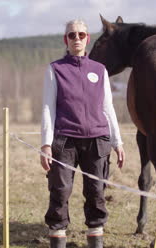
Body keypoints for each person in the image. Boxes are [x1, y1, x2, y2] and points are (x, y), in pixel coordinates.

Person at [40, 19, 126, 248]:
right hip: (64, 140)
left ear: (87, 38)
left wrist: (118, 142)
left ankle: (95, 236)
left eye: (81, 35)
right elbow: (48, 107)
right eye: (71, 35)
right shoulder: (55, 69)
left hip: (97, 141)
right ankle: (58, 234)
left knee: (96, 191)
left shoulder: (99, 70)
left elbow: (108, 108)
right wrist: (46, 144)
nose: (76, 39)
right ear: (65, 40)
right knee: (60, 190)